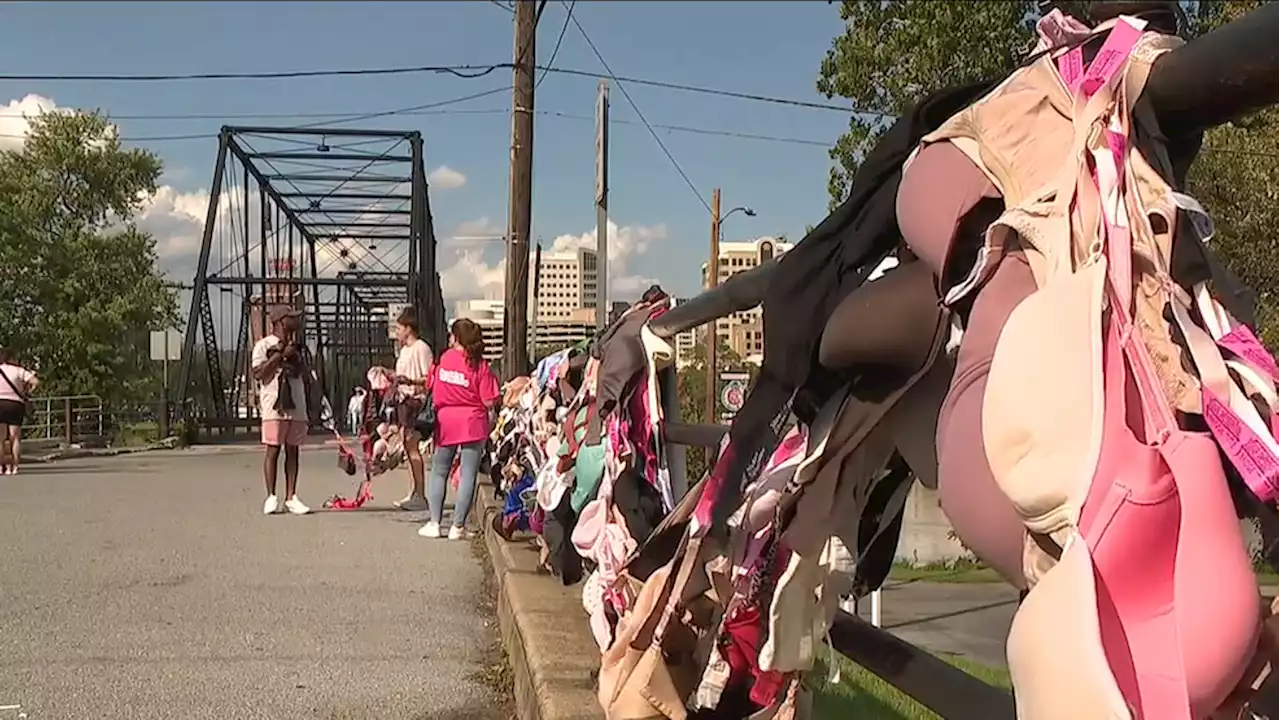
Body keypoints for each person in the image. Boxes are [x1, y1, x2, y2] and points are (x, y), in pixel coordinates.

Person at [416, 318, 499, 540]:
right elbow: (490, 400)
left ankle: (434, 523)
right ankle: (458, 527)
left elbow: (431, 385)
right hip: (473, 421)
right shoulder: (480, 366)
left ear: (456, 338)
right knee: (468, 474)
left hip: (446, 421)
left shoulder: (445, 358)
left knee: (439, 471)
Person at [251, 306, 311, 515]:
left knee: (293, 450)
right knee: (273, 449)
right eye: (291, 318)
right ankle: (271, 496)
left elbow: (307, 376)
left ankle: (291, 496)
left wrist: (296, 358)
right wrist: (279, 356)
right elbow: (259, 373)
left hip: (296, 403)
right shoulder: (263, 346)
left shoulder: (299, 347)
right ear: (280, 321)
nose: (296, 321)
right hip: (273, 404)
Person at [391, 308, 434, 512]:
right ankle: (414, 491)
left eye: (399, 328)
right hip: (403, 401)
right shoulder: (405, 350)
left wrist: (409, 381)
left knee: (413, 446)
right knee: (408, 448)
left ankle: (421, 493)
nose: (396, 332)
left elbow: (429, 378)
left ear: (409, 328)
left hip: (415, 402)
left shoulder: (421, 348)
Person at [0, 347, 37, 476]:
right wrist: (25, 392)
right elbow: (35, 381)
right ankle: (14, 467)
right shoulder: (19, 370)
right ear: (12, 359)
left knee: (0, 439)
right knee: (14, 438)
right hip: (15, 403)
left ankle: (1, 467)